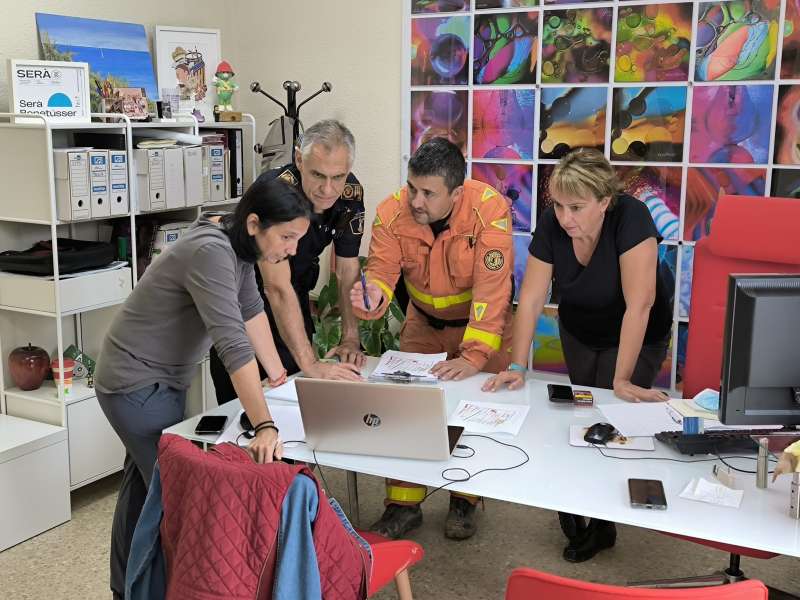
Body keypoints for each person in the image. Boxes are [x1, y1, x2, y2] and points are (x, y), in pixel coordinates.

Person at [94, 178, 311, 599]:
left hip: (158, 380)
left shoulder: (239, 250)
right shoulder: (212, 253)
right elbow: (232, 345)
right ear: (254, 223)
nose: (292, 249)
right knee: (177, 491)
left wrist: (279, 376)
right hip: (134, 383)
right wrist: (264, 423)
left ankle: (125, 589)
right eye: (287, 237)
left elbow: (251, 313)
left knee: (143, 487)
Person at [483, 148, 673, 562]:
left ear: (605, 202)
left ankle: (602, 526)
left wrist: (622, 380)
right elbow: (531, 299)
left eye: (577, 207)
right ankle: (578, 502)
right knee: (582, 417)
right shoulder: (554, 223)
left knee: (611, 413)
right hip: (581, 330)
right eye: (560, 206)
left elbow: (639, 306)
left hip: (637, 332)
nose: (566, 217)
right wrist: (516, 366)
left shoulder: (632, 218)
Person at [350, 137, 514, 540]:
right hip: (423, 324)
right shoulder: (391, 213)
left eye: (427, 193)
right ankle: (403, 505)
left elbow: (492, 293)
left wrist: (473, 357)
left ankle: (464, 500)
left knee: (472, 414)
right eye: (412, 188)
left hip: (478, 325)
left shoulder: (489, 210)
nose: (415, 200)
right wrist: (371, 298)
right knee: (408, 409)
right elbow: (383, 274)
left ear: (456, 193)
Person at [209, 119, 364, 404]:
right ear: (298, 160)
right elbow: (275, 287)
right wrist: (311, 363)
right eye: (318, 175)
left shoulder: (351, 194)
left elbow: (347, 268)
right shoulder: (275, 193)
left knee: (297, 402)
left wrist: (351, 337)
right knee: (248, 413)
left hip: (295, 297)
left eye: (338, 177)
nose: (328, 189)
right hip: (245, 305)